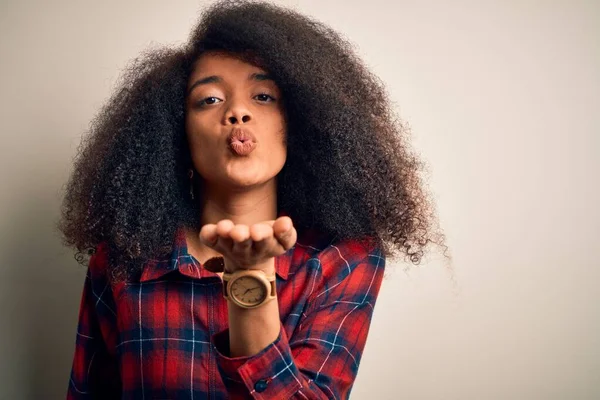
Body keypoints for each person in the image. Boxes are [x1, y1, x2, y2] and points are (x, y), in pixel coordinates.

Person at [60, 1, 448, 398]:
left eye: (263, 96)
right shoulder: (124, 261)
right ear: (176, 134)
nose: (238, 112)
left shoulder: (344, 257)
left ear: (297, 124)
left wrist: (250, 279)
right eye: (209, 99)